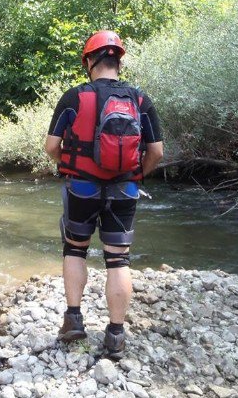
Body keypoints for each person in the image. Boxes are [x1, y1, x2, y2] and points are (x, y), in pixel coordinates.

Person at [44, 30, 164, 359]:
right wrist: (137, 174)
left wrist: (72, 165)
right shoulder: (140, 99)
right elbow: (156, 152)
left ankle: (74, 320)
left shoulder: (73, 97)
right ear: (117, 61)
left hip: (81, 185)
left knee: (75, 249)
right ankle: (115, 335)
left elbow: (52, 147)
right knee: (118, 259)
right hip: (125, 187)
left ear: (89, 61)